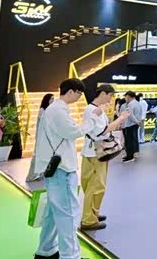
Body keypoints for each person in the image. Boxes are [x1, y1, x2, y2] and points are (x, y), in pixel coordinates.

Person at [34, 79, 127, 259]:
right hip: (62, 168)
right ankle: (70, 255)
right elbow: (75, 132)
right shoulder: (59, 111)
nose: (79, 97)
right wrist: (94, 118)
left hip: (58, 166)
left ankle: (45, 250)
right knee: (68, 213)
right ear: (71, 92)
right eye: (78, 94)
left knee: (54, 213)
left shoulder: (56, 110)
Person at [81, 84, 126, 231]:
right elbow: (103, 132)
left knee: (93, 185)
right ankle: (88, 219)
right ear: (103, 94)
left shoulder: (93, 109)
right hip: (96, 153)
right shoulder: (94, 110)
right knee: (96, 186)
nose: (111, 98)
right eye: (110, 95)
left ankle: (93, 213)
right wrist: (121, 118)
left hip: (93, 152)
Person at [26, 93, 55, 182]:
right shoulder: (42, 111)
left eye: (53, 99)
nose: (53, 101)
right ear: (47, 100)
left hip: (49, 138)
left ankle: (42, 174)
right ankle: (31, 176)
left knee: (47, 156)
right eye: (51, 99)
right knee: (37, 157)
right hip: (41, 138)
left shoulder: (51, 111)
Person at [121, 91, 142, 163]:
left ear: (129, 97)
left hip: (130, 124)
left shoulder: (130, 104)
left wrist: (136, 121)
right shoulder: (138, 103)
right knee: (133, 140)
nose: (125, 98)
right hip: (135, 124)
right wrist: (138, 122)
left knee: (129, 141)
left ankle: (129, 156)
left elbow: (130, 115)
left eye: (126, 97)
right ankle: (132, 155)